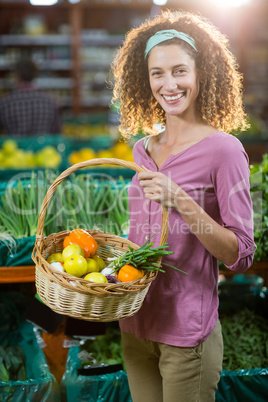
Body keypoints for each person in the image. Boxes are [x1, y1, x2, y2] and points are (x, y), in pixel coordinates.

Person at [111, 10, 256, 402]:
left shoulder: (224, 151)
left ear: (200, 75)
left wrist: (182, 202)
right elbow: (145, 234)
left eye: (179, 71)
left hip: (186, 333)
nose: (168, 84)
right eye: (157, 73)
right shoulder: (143, 149)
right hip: (135, 324)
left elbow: (241, 255)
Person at [0, 58, 61, 135]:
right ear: (36, 74)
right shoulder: (50, 101)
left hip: (14, 146)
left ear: (16, 75)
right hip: (44, 147)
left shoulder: (5, 103)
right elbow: (56, 132)